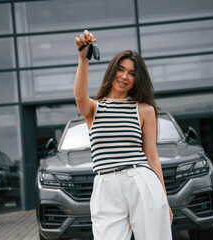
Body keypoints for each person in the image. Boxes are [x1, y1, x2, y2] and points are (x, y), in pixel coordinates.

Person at [74, 30, 173, 240]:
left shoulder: (144, 110)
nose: (124, 77)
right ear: (112, 71)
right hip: (105, 185)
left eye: (132, 73)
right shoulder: (94, 108)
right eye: (120, 69)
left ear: (138, 79)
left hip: (140, 180)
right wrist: (83, 59)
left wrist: (164, 200)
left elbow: (152, 157)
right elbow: (79, 96)